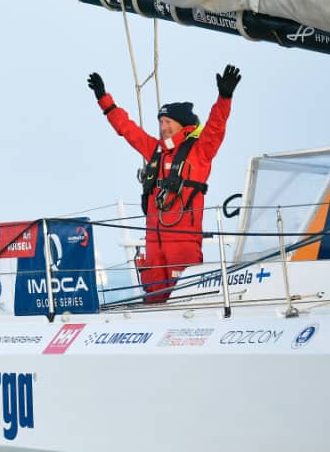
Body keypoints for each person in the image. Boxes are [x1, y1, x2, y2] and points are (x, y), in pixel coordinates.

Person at [87, 64, 241, 302]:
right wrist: (105, 102)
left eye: (168, 122)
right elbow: (128, 130)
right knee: (153, 299)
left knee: (187, 299)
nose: (164, 127)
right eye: (161, 122)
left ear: (183, 125)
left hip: (184, 244)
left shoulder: (200, 150)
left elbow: (216, 127)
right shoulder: (155, 150)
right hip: (153, 245)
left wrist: (224, 97)